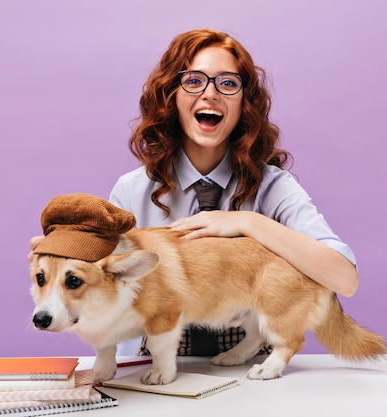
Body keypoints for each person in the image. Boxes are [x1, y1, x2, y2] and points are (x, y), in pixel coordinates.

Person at [30, 28, 359, 356]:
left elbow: (345, 279)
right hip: (155, 370)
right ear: (170, 95)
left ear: (245, 103)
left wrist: (248, 223)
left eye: (228, 83)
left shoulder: (273, 187)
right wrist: (64, 256)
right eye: (194, 81)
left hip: (248, 369)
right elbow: (101, 286)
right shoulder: (133, 190)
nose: (211, 94)